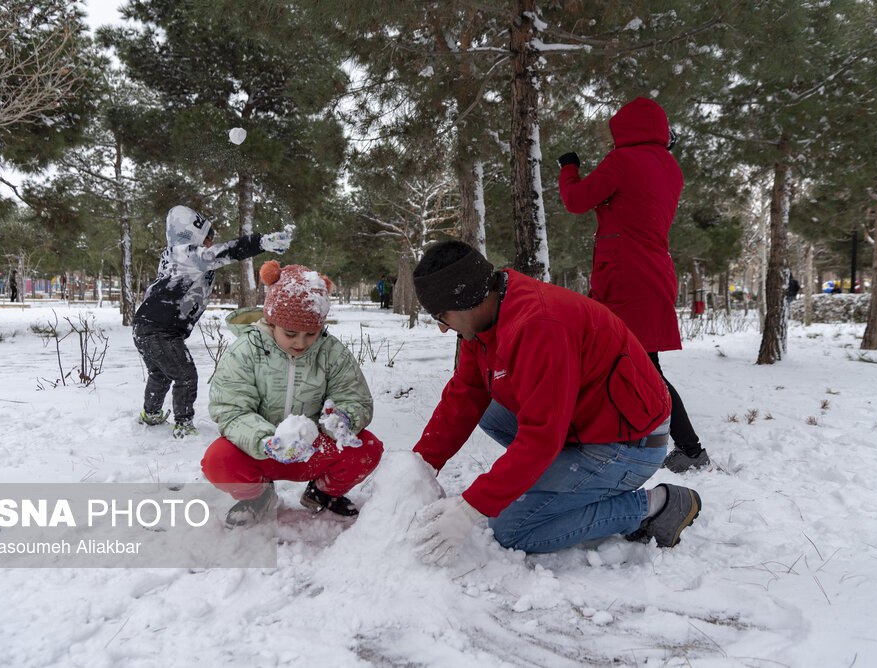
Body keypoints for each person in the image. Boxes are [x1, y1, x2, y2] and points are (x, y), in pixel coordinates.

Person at [408, 240, 702, 565]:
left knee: (512, 528)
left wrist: (468, 510)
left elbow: (541, 438)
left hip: (630, 443)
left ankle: (657, 505)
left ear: (464, 302)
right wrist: (417, 469)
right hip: (585, 424)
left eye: (441, 317)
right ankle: (572, 482)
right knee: (490, 411)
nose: (442, 328)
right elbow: (464, 395)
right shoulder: (486, 321)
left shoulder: (539, 325)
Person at [557, 96, 711, 474]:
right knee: (630, 362)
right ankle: (627, 437)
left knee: (636, 366)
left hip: (626, 276)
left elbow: (576, 200)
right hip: (653, 271)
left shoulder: (623, 161)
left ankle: (689, 449)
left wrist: (569, 167)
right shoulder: (670, 167)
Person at [201, 261, 383, 527]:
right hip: (261, 450)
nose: (300, 342)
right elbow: (231, 409)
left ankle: (321, 493)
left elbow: (355, 398)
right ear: (272, 322)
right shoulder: (245, 351)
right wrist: (265, 440)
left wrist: (342, 420)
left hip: (312, 450)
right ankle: (259, 497)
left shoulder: (332, 353)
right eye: (290, 334)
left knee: (367, 449)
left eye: (311, 334)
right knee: (218, 461)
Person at [133, 205, 291, 438]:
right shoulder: (187, 254)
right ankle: (183, 425)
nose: (210, 244)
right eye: (207, 239)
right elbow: (228, 251)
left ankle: (151, 414)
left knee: (161, 373)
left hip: (147, 326)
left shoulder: (174, 257)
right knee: (185, 376)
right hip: (159, 329)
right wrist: (261, 243)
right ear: (192, 235)